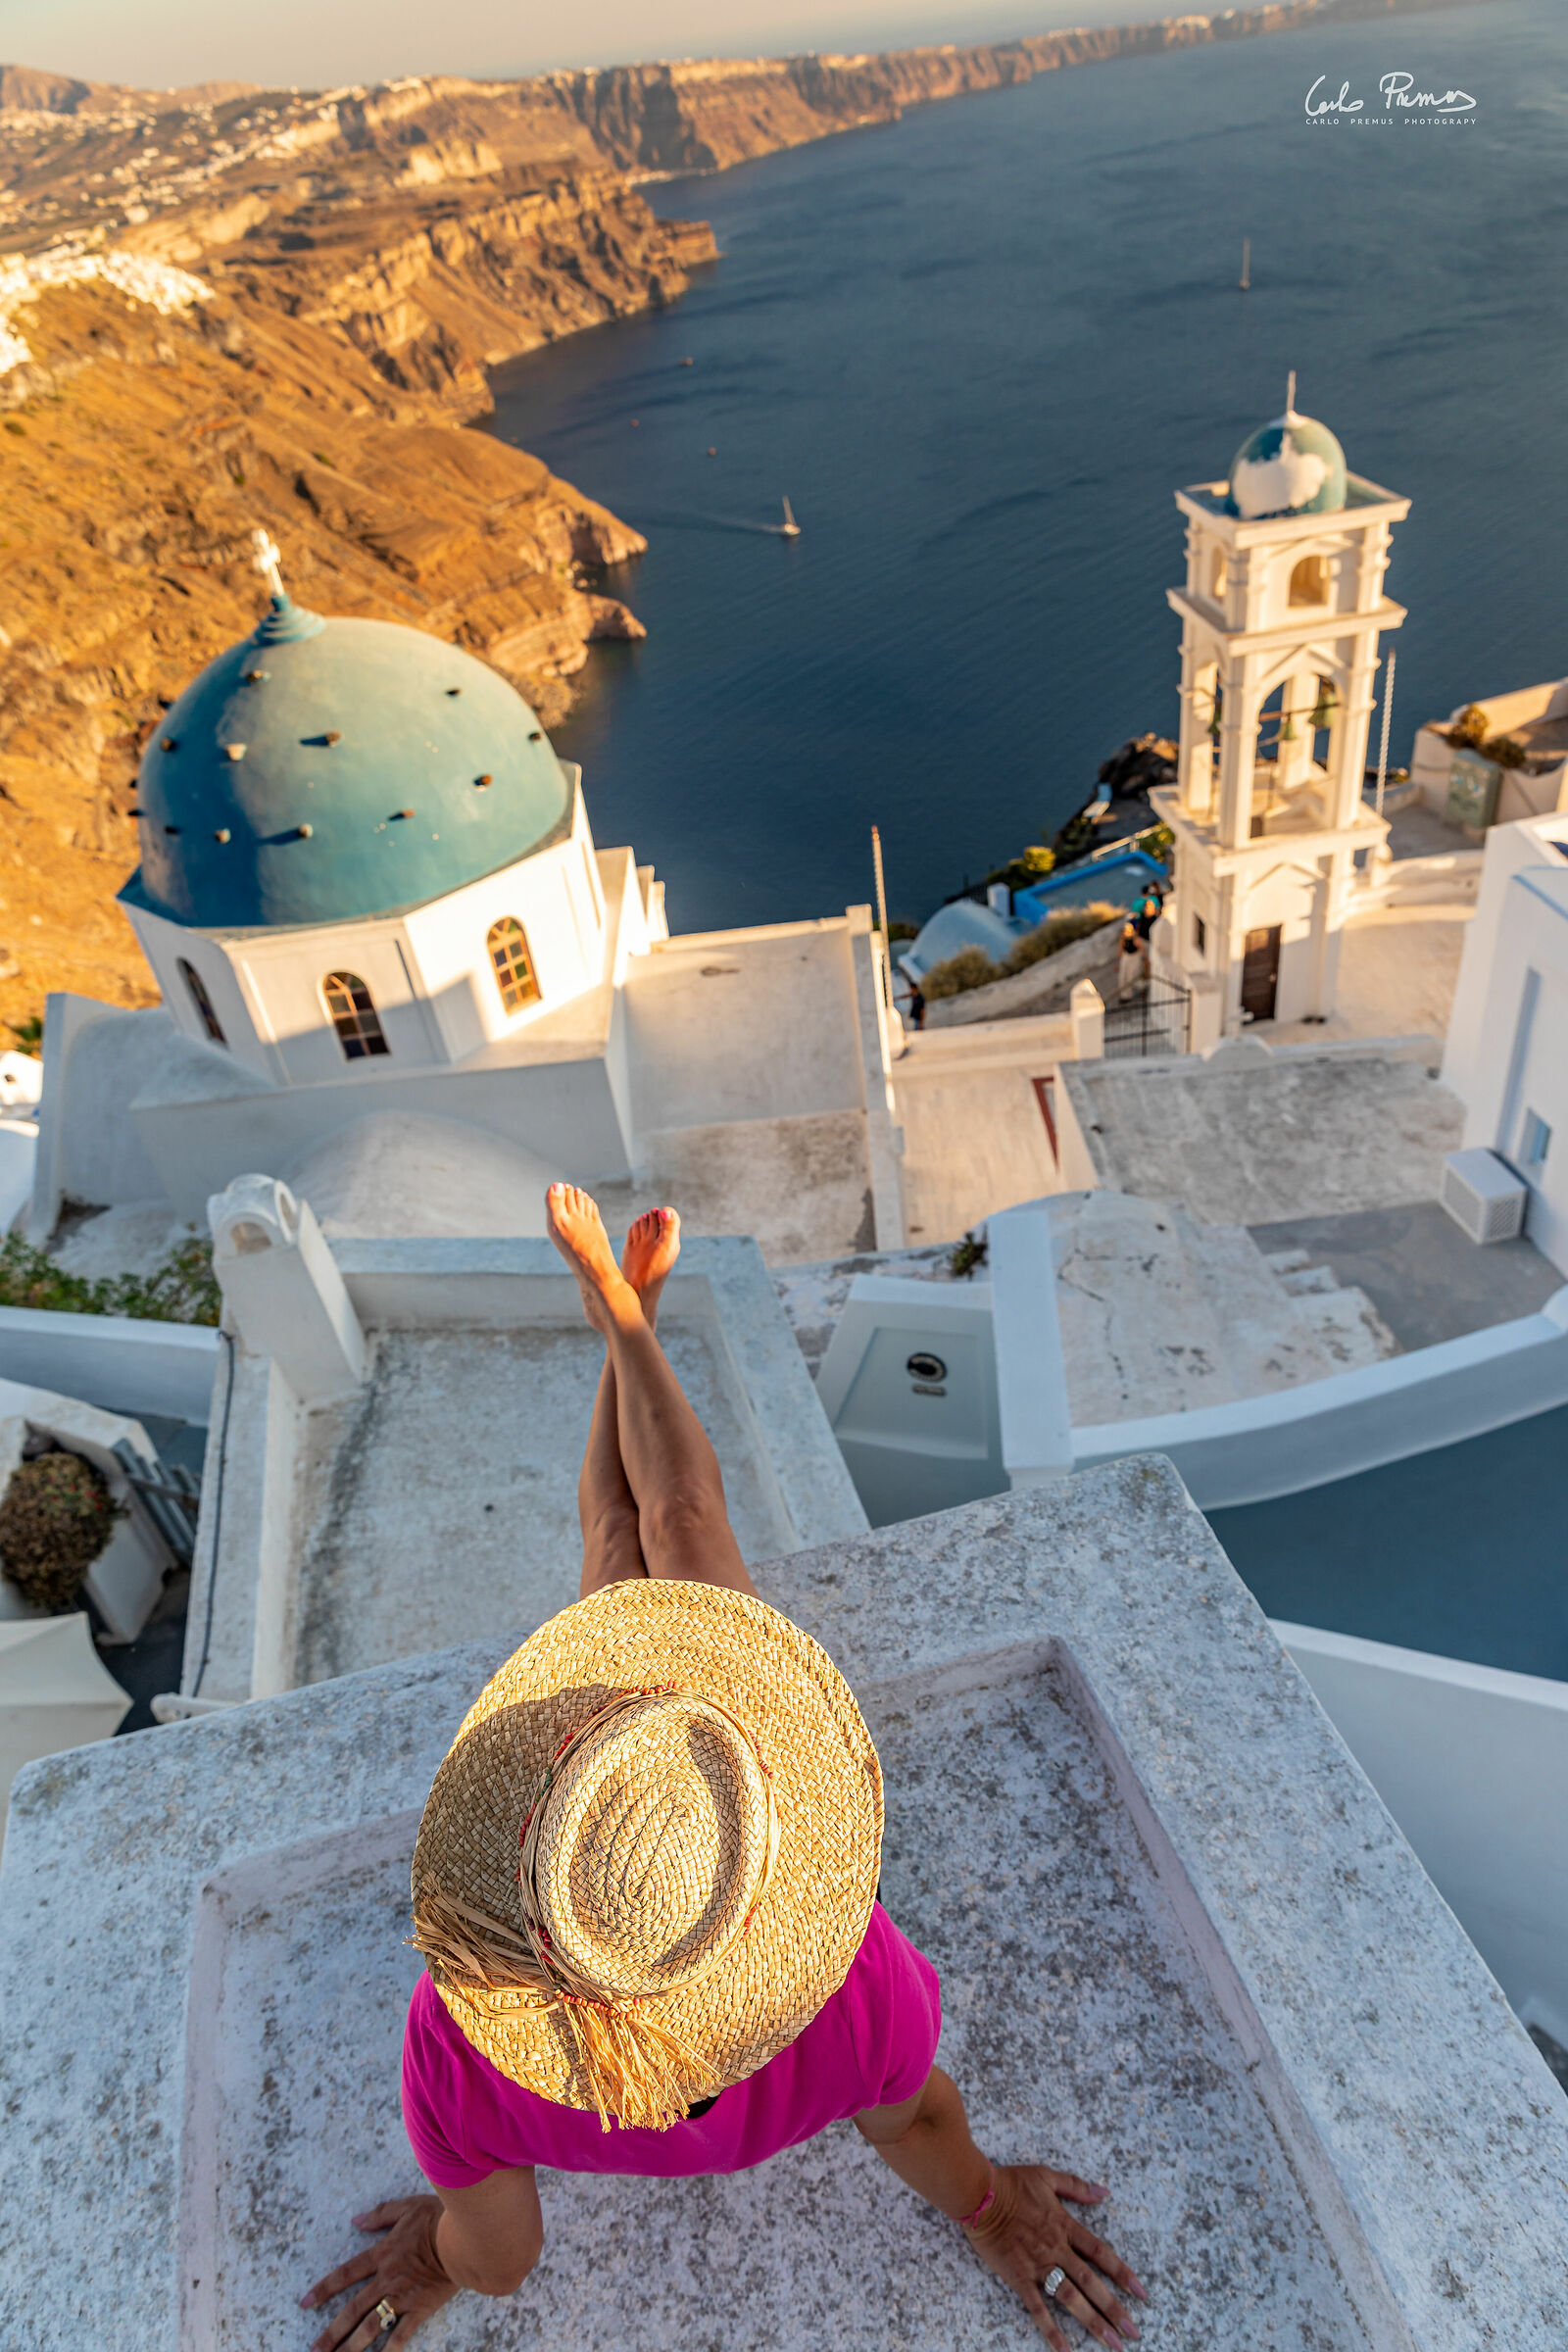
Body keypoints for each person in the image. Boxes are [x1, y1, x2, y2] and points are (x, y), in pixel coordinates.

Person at [301, 1185, 1149, 2352]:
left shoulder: (459, 2048)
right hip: (662, 1782)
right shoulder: (850, 1996)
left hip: (651, 1778)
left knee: (658, 1528)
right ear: (767, 1913)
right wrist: (994, 2210)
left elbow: (494, 2263)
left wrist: (440, 2251)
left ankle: (625, 1318)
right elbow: (921, 2123)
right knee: (652, 1531)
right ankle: (623, 1312)